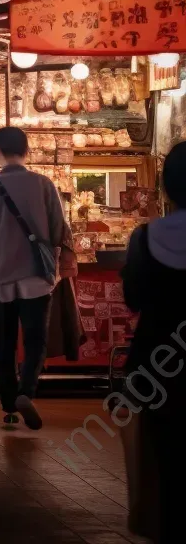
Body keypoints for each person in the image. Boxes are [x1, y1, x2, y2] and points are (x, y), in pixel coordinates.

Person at [0, 126, 70, 430]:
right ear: (26, 150)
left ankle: (8, 405)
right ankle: (26, 392)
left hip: (0, 278)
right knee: (34, 341)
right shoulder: (44, 185)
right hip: (36, 276)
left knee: (4, 344)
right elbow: (58, 231)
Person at [122, 140, 186, 543]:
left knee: (163, 455)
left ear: (165, 188)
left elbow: (134, 299)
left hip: (157, 362)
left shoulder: (145, 239)